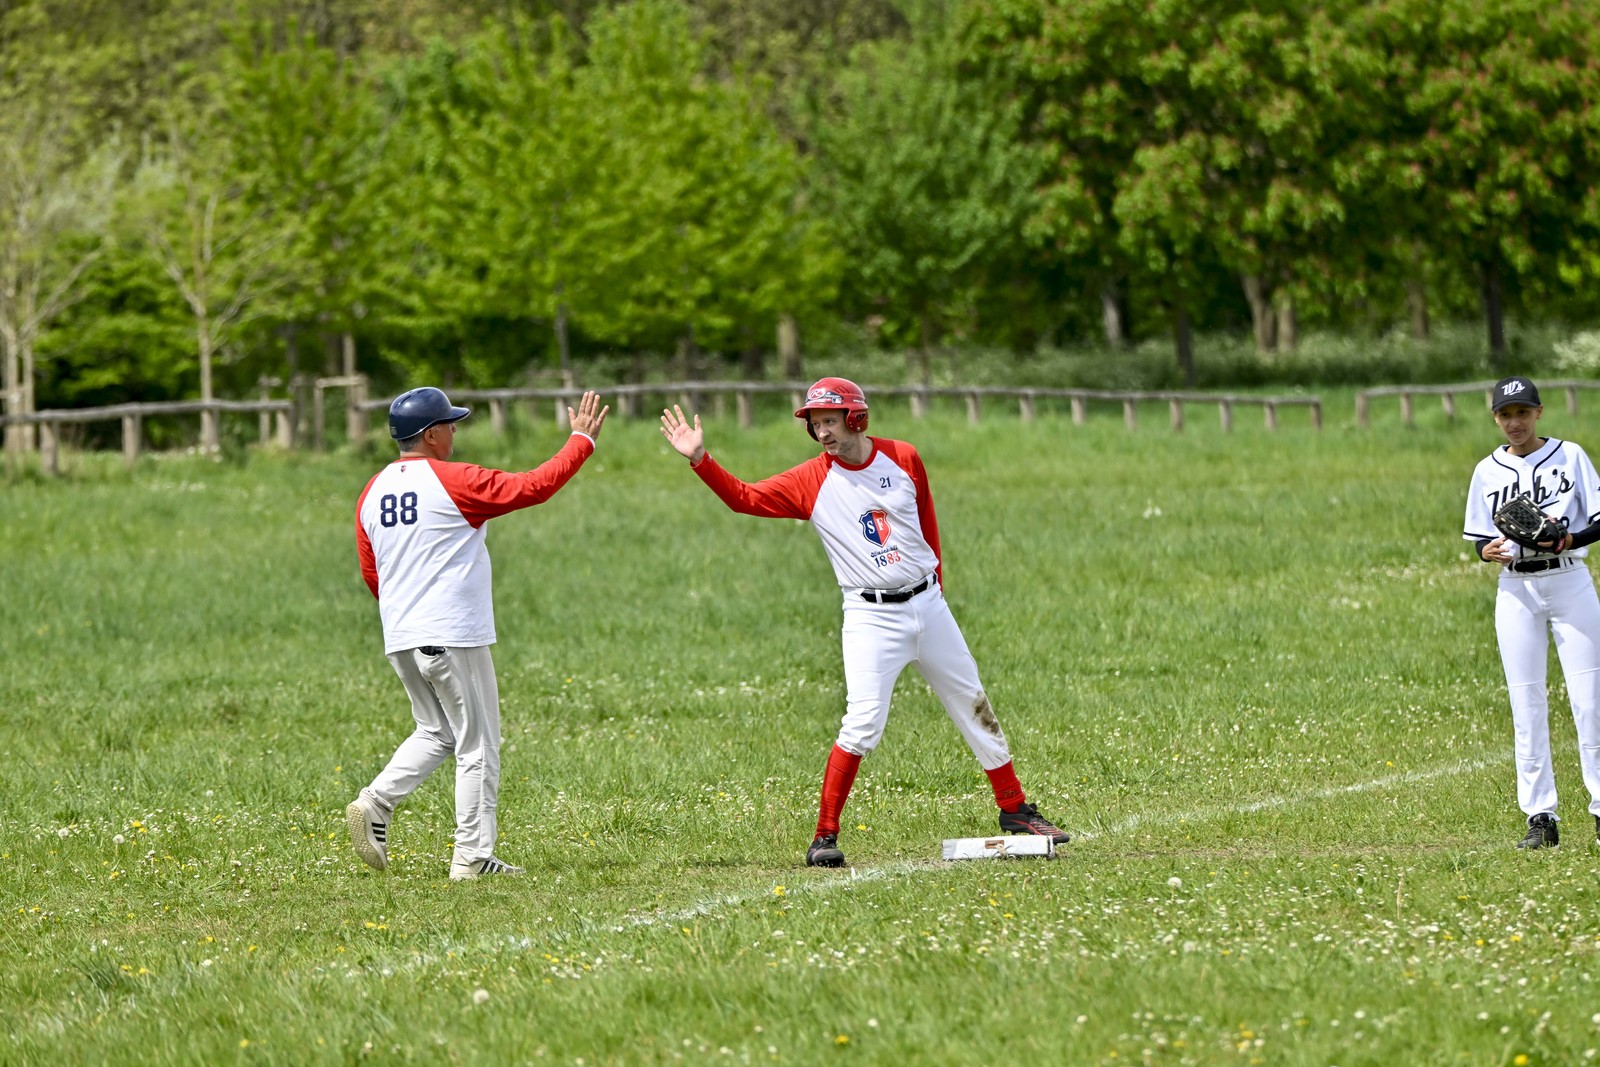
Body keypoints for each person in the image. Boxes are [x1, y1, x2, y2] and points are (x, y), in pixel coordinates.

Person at [659, 377, 1070, 867]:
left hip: (928, 604)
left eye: (830, 421)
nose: (823, 434)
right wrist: (700, 459)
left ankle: (1015, 809)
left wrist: (936, 586)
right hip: (871, 616)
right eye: (816, 425)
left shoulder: (903, 457)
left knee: (973, 703)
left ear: (856, 418)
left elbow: (926, 525)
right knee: (862, 724)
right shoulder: (811, 480)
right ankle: (824, 837)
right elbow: (743, 498)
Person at [348, 386, 608, 879]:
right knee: (478, 743)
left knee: (436, 731)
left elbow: (371, 570)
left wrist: (406, 615)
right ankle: (472, 856)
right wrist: (580, 442)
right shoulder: (453, 480)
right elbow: (532, 487)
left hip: (401, 635)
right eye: (449, 424)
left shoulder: (373, 489)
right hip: (450, 633)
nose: (454, 431)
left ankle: (376, 802)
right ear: (429, 435)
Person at [1464, 375, 1600, 849]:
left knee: (1590, 699)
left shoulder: (1571, 455)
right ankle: (1541, 818)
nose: (1514, 421)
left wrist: (1569, 539)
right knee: (1526, 703)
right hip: (1515, 590)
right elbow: (1481, 538)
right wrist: (1489, 553)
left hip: (1568, 581)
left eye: (1523, 412)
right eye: (1506, 414)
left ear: (1539, 412)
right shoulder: (1487, 471)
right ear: (1496, 418)